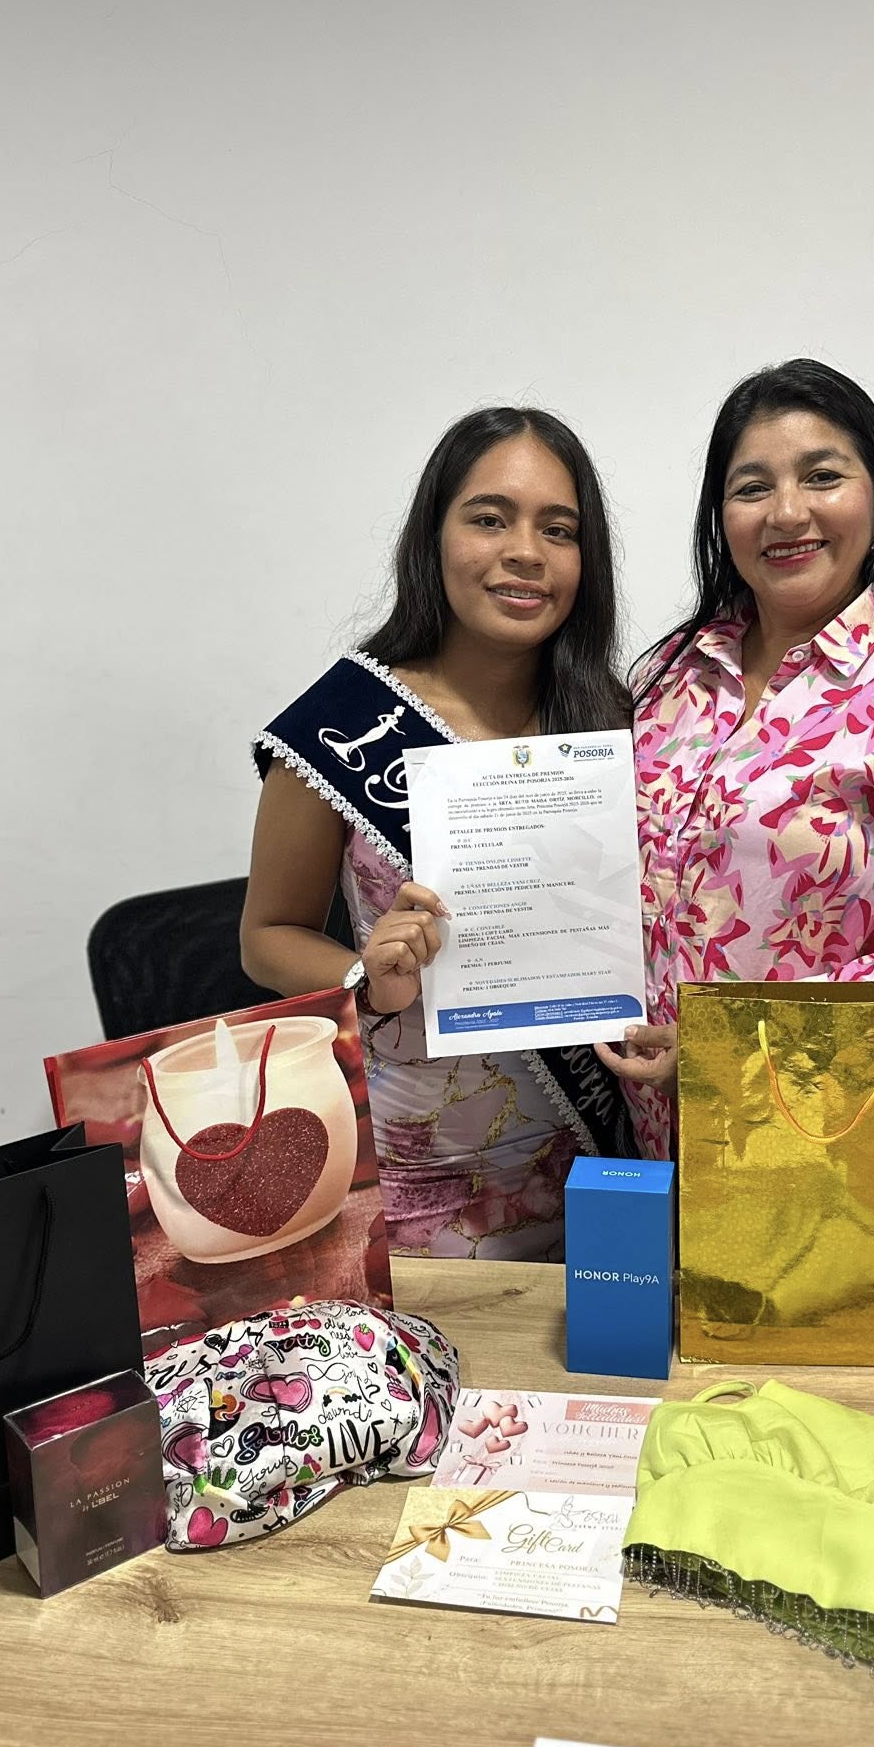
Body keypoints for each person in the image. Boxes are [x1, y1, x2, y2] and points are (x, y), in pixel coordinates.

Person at [596, 359, 874, 1203]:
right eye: (752, 487)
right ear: (721, 516)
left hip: (857, 1144)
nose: (786, 512)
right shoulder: (670, 677)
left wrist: (733, 1046)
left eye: (822, 477)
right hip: (665, 1130)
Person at [243, 407, 633, 1258]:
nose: (525, 551)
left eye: (558, 529)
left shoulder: (616, 721)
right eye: (489, 518)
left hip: (609, 1169)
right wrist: (366, 974)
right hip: (426, 1173)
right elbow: (266, 937)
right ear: (433, 536)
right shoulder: (342, 725)